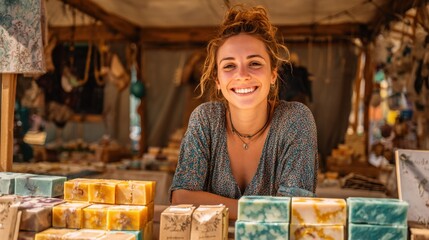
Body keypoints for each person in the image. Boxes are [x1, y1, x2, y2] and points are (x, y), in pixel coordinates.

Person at [170, 4, 318, 220]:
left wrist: (214, 205)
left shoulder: (295, 120)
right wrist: (262, 211)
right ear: (218, 81)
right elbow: (181, 197)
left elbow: (294, 210)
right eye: (229, 66)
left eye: (255, 63)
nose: (242, 74)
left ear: (273, 75)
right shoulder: (206, 119)